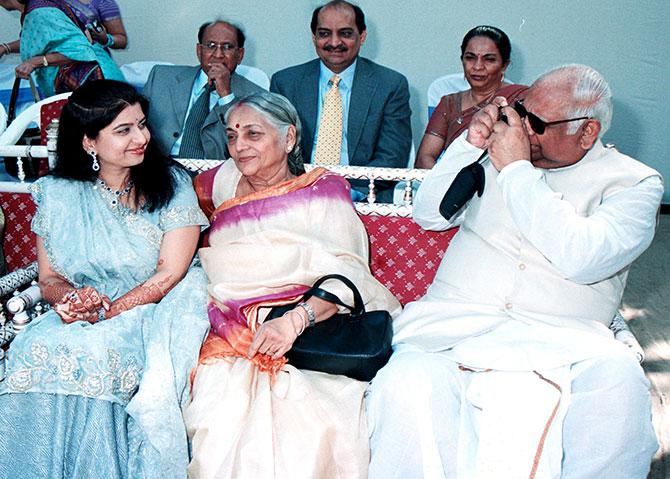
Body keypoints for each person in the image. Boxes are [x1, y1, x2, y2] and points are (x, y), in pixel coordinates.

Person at [366, 64, 662, 478]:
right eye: (521, 112)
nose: (522, 129)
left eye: (536, 123)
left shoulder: (634, 184)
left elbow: (582, 258)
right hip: (452, 326)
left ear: (587, 132)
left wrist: (518, 171)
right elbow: (430, 215)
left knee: (620, 386)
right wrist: (469, 145)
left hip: (564, 340)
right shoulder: (492, 152)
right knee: (407, 384)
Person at [184, 91, 401, 478]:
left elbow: (347, 272)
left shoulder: (322, 192)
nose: (239, 146)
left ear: (288, 139)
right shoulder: (217, 185)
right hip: (232, 331)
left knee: (315, 426)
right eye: (232, 135)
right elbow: (163, 208)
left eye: (253, 134)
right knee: (219, 420)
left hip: (311, 330)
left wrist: (294, 321)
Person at [0, 79, 210, 477]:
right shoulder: (58, 192)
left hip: (154, 307)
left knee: (99, 353)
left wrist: (110, 312)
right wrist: (69, 299)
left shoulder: (172, 183)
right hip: (83, 310)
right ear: (89, 143)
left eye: (142, 124)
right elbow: (50, 276)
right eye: (124, 130)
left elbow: (169, 274)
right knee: (33, 347)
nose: (142, 137)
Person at [270, 0, 412, 201]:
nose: (334, 43)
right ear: (314, 37)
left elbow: (392, 157)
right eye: (325, 33)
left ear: (361, 36)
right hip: (297, 194)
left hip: (363, 196)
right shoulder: (285, 82)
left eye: (345, 33)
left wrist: (343, 191)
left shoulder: (390, 85)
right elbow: (277, 149)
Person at [143, 20, 264, 160]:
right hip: (159, 167)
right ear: (199, 51)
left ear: (240, 55)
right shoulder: (161, 77)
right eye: (211, 46)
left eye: (227, 47)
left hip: (216, 172)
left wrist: (226, 96)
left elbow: (244, 148)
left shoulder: (257, 97)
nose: (218, 54)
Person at [415, 25, 527, 169]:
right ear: (462, 60)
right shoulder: (448, 103)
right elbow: (425, 157)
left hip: (502, 184)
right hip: (453, 185)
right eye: (470, 58)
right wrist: (445, 185)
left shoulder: (520, 98)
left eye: (489, 59)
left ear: (504, 66)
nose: (477, 66)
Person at [7, 0, 126, 98]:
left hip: (94, 73)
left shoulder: (103, 3)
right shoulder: (49, 4)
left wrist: (105, 39)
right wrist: (6, 48)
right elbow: (39, 40)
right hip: (68, 79)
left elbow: (121, 40)